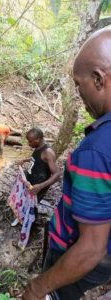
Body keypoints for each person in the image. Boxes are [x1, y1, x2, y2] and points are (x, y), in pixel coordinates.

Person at [22, 28, 111, 300]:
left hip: (77, 257)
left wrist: (37, 288)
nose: (77, 92)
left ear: (98, 79)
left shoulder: (94, 151)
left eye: (78, 83)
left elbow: (90, 248)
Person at [9, 128, 59, 248]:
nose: (28, 143)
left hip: (38, 187)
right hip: (30, 183)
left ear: (38, 139)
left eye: (30, 141)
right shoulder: (37, 147)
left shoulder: (48, 152)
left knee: (32, 208)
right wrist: (24, 160)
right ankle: (21, 217)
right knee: (24, 202)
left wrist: (40, 186)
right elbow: (35, 159)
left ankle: (28, 233)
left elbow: (57, 174)